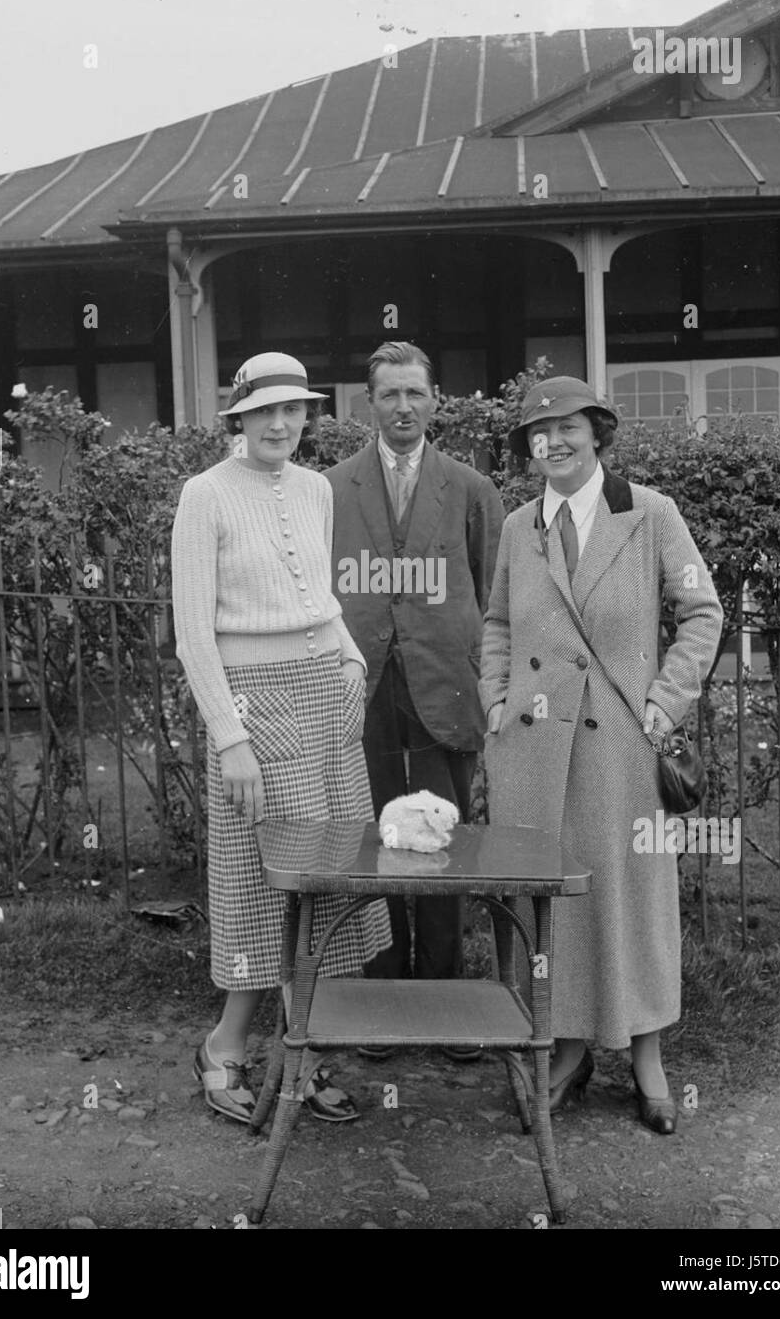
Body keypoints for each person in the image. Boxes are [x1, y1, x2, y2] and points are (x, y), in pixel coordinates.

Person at [479, 375, 722, 1133]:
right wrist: (494, 701)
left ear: (598, 434)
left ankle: (647, 1056)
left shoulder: (649, 515)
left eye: (568, 428)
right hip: (532, 751)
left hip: (620, 748)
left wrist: (665, 699)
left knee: (631, 897)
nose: (553, 441)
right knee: (550, 904)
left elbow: (702, 611)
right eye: (537, 432)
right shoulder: (521, 525)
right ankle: (568, 1049)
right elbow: (495, 624)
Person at [171, 351, 391, 1125]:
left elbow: (322, 596)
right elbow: (193, 633)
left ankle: (307, 1053)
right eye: (264, 411)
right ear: (238, 418)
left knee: (331, 878)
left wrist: (353, 657)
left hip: (328, 697)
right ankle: (225, 1048)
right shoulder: (205, 496)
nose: (280, 424)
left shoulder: (314, 489)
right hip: (256, 708)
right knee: (265, 884)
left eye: (293, 409)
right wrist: (230, 738)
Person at [325, 341, 504, 1059]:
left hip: (443, 686)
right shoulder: (331, 487)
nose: (403, 407)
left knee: (439, 842)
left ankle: (446, 1000)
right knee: (371, 841)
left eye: (416, 395)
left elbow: (493, 599)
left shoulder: (470, 489)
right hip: (360, 687)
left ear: (437, 403)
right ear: (369, 404)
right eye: (390, 395)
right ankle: (382, 999)